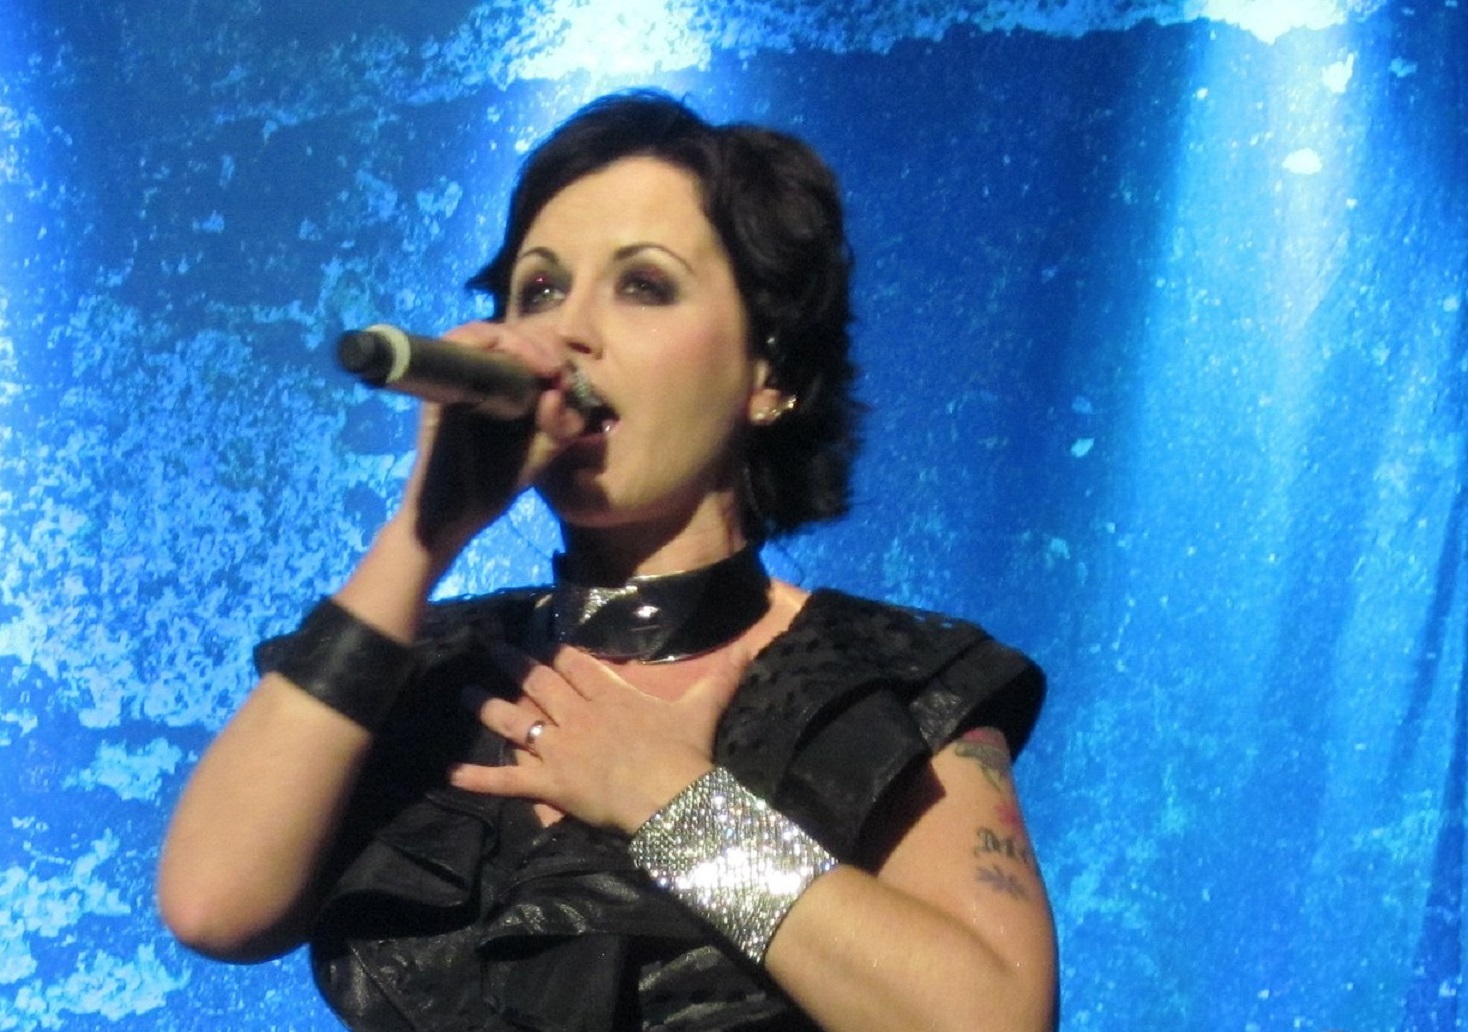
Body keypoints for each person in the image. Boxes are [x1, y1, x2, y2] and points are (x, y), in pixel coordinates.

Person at [158, 90, 1056, 1032]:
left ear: (771, 375)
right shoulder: (428, 667)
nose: (567, 334)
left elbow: (991, 1019)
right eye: (540, 289)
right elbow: (215, 906)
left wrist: (674, 806)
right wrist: (424, 535)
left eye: (643, 286)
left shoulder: (886, 680)